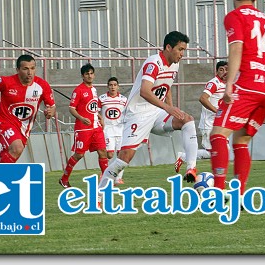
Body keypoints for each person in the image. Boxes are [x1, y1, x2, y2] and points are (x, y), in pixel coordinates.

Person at [98, 31, 200, 194]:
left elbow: (166, 88)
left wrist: (172, 109)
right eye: (180, 49)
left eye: (184, 50)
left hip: (156, 112)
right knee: (124, 159)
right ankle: (99, 193)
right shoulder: (153, 63)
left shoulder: (175, 64)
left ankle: (191, 168)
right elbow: (145, 91)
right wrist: (168, 108)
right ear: (168, 47)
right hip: (138, 114)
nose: (182, 54)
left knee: (187, 119)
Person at [210, 0, 265, 196]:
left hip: (249, 84)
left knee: (218, 135)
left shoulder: (234, 16)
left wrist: (229, 84)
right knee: (241, 140)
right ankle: (239, 195)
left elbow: (237, 48)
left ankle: (218, 192)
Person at [0, 54, 56, 163]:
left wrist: (50, 112)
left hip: (23, 129)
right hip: (4, 122)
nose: (30, 72)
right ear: (18, 69)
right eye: (25, 69)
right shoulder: (6, 82)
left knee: (11, 155)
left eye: (32, 68)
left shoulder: (42, 85)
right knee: (17, 148)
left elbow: (52, 107)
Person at [59, 63, 108, 188]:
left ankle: (106, 181)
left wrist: (100, 117)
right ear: (82, 76)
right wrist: (81, 118)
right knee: (79, 154)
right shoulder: (78, 90)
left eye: (91, 73)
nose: (90, 76)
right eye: (87, 74)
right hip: (83, 128)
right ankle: (64, 178)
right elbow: (71, 108)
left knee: (103, 152)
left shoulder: (94, 89)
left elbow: (93, 107)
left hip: (96, 127)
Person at [174, 60, 228, 172]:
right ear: (217, 71)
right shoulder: (214, 83)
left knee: (222, 150)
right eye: (221, 70)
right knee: (215, 152)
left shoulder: (227, 85)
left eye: (226, 69)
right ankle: (183, 157)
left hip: (220, 124)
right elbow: (203, 98)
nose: (224, 72)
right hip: (209, 124)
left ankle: (219, 176)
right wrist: (217, 111)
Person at [98, 76, 128, 185]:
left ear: (118, 87)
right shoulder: (102, 99)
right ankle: (106, 172)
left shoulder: (124, 100)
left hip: (120, 130)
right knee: (109, 155)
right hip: (108, 130)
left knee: (122, 155)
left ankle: (118, 178)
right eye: (110, 85)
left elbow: (128, 113)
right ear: (108, 86)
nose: (113, 87)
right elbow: (96, 111)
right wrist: (100, 121)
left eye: (115, 85)